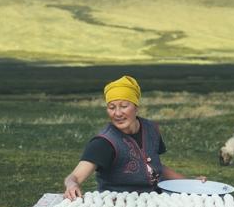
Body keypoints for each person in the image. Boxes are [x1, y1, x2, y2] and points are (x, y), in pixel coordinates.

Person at [63, 75, 206, 199]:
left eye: (124, 106)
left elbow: (156, 167)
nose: (117, 113)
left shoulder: (151, 129)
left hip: (156, 200)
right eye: (111, 107)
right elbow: (74, 177)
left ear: (136, 107)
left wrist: (190, 183)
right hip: (117, 205)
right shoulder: (103, 143)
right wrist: (72, 184)